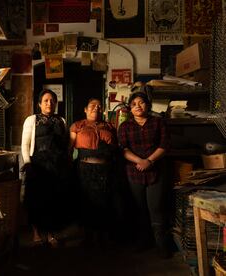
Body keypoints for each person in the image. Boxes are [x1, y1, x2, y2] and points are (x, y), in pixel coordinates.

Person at [117, 92, 171, 258]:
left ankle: (161, 244)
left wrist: (149, 161)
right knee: (138, 209)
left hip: (155, 170)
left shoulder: (158, 122)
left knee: (156, 208)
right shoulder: (125, 126)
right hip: (134, 172)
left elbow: (164, 145)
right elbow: (123, 149)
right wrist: (139, 161)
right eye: (134, 104)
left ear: (148, 105)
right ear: (130, 108)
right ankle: (143, 241)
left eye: (141, 103)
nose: (138, 106)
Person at [21, 89, 70, 247]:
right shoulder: (32, 120)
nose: (50, 103)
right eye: (46, 100)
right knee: (36, 200)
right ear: (39, 104)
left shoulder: (61, 120)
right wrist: (28, 164)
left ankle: (50, 234)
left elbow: (66, 144)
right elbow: (25, 145)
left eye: (52, 100)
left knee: (54, 201)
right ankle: (36, 233)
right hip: (38, 166)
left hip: (57, 167)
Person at [69, 98, 117, 245]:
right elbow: (69, 149)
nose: (95, 108)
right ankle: (87, 236)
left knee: (105, 202)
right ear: (85, 109)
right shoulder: (77, 126)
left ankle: (102, 236)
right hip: (84, 170)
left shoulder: (109, 126)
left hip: (105, 170)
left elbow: (116, 149)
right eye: (92, 106)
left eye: (99, 106)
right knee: (86, 202)